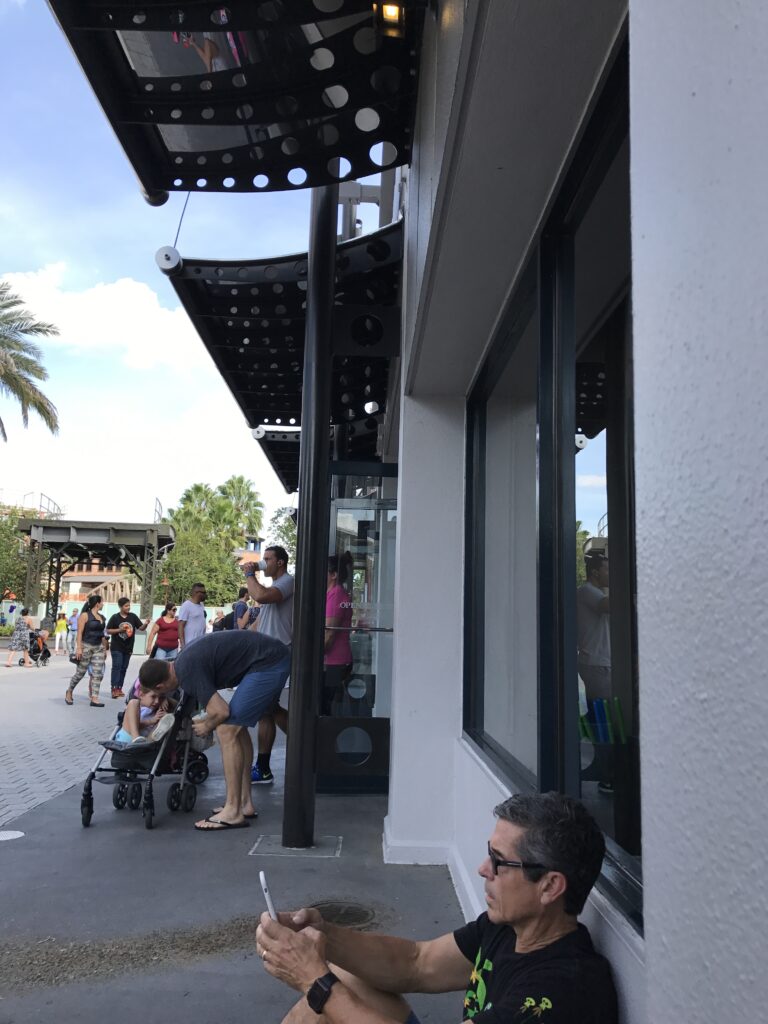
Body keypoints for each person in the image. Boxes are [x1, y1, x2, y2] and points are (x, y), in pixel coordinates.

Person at [256, 792, 618, 1024]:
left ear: (550, 886)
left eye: (499, 862)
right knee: (348, 978)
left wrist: (314, 980)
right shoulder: (508, 927)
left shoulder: (562, 992)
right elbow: (415, 963)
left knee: (328, 989)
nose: (483, 869)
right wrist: (322, 934)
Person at [139, 630, 291, 831]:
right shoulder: (182, 661)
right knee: (237, 728)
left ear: (160, 685)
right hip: (270, 657)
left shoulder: (186, 672)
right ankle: (244, 804)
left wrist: (207, 725)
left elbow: (221, 711)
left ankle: (233, 811)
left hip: (270, 662)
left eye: (159, 693)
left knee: (226, 730)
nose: (160, 699)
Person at [243, 546, 294, 785]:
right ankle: (263, 767)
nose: (264, 563)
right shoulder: (274, 588)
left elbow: (261, 596)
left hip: (277, 654)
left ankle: (304, 746)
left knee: (267, 709)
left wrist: (249, 574)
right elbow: (260, 623)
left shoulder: (287, 583)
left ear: (280, 562)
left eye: (267, 559)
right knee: (267, 710)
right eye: (262, 559)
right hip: (265, 655)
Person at [322, 553, 354, 715]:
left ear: (333, 575)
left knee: (327, 709)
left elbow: (329, 634)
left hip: (335, 661)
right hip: (334, 661)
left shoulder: (336, 596)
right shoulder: (332, 594)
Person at [65, 594, 108, 706]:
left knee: (97, 673)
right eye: (102, 602)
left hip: (98, 648)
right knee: (80, 673)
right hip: (86, 646)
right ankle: (69, 691)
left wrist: (105, 649)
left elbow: (102, 635)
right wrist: (79, 648)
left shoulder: (102, 618)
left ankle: (94, 698)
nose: (103, 604)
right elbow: (79, 632)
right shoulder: (85, 615)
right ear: (97, 603)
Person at [106, 597, 151, 699]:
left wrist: (146, 624)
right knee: (117, 667)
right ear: (121, 607)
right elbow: (108, 630)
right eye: (126, 606)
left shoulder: (133, 617)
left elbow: (141, 628)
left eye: (129, 605)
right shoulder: (115, 617)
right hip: (117, 647)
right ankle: (114, 688)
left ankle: (119, 688)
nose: (128, 607)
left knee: (123, 668)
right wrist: (119, 630)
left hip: (128, 647)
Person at [177, 582, 208, 651]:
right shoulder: (186, 606)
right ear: (196, 593)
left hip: (200, 643)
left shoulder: (202, 605)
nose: (205, 594)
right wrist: (183, 646)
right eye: (204, 592)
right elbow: (180, 626)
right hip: (189, 645)